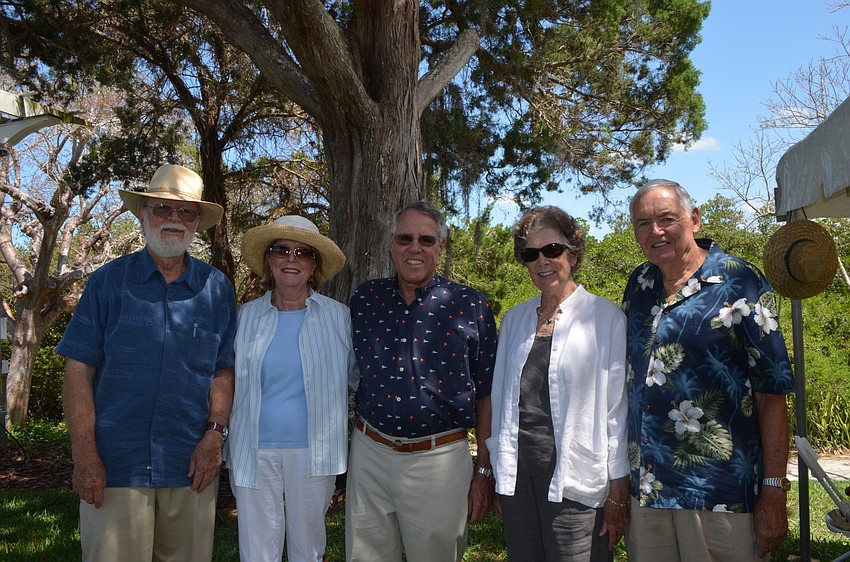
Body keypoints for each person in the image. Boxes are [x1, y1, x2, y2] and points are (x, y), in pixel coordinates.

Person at [58, 164, 237, 562]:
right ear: (142, 214)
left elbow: (223, 370)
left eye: (186, 211)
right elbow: (78, 370)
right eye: (162, 208)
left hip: (191, 464)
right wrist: (84, 453)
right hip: (117, 464)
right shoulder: (108, 282)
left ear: (196, 223)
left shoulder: (217, 288)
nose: (174, 219)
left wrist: (215, 435)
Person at [622, 179, 795, 561]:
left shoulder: (740, 281)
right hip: (648, 491)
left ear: (694, 219)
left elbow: (772, 392)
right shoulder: (639, 283)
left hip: (720, 497)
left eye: (667, 219)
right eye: (643, 223)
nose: (655, 232)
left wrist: (773, 490)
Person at [345, 200, 498, 562]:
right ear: (391, 243)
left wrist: (483, 470)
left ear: (440, 247)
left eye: (426, 240)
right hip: (370, 455)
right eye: (405, 238)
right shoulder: (366, 299)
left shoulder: (470, 305)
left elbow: (488, 393)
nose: (415, 248)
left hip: (439, 462)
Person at [487, 206, 630, 562]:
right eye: (531, 254)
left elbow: (617, 412)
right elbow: (501, 402)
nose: (542, 262)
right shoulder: (514, 320)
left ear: (574, 251)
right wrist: (492, 472)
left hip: (575, 480)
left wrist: (618, 491)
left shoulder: (606, 318)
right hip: (518, 480)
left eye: (552, 250)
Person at [226, 215, 353, 562]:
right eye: (282, 250)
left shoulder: (339, 317)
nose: (292, 259)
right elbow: (224, 379)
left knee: (308, 547)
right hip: (253, 450)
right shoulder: (244, 317)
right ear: (269, 260)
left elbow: (357, 376)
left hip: (315, 452)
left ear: (314, 265)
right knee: (257, 550)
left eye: (303, 252)